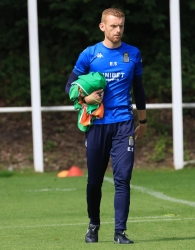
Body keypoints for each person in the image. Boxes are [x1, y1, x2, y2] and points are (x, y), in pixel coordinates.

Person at [65, 7, 147, 244]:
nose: (118, 30)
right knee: (94, 181)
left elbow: (139, 90)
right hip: (97, 124)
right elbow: (70, 86)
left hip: (124, 124)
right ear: (103, 27)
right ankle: (93, 225)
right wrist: (85, 99)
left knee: (123, 178)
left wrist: (142, 121)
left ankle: (120, 232)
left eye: (121, 26)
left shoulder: (133, 54)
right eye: (113, 26)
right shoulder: (89, 54)